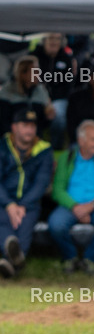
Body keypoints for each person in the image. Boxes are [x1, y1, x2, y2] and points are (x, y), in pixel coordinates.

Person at [48, 120, 94, 276]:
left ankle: (90, 258)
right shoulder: (67, 158)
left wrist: (90, 207)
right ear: (81, 141)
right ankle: (70, 257)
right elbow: (58, 190)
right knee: (55, 224)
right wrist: (76, 208)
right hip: (71, 206)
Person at [0, 109, 53, 279]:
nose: (29, 130)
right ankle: (15, 261)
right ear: (14, 127)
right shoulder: (2, 146)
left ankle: (10, 262)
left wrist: (22, 205)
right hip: (3, 201)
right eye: (25, 125)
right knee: (3, 222)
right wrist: (9, 204)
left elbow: (41, 183)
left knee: (24, 227)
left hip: (29, 204)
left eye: (32, 126)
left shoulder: (44, 150)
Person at [30, 34, 76, 149]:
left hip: (58, 98)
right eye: (51, 38)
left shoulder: (66, 58)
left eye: (57, 39)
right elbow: (29, 81)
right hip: (36, 95)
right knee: (32, 112)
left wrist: (51, 99)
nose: (54, 42)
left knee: (58, 116)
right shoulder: (34, 56)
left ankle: (56, 147)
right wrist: (44, 98)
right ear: (44, 40)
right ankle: (34, 145)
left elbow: (68, 85)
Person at [0, 56, 55, 136]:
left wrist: (49, 117)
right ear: (23, 74)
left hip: (34, 137)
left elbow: (42, 123)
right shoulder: (7, 91)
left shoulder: (41, 91)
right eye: (35, 71)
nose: (38, 74)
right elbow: (3, 121)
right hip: (10, 136)